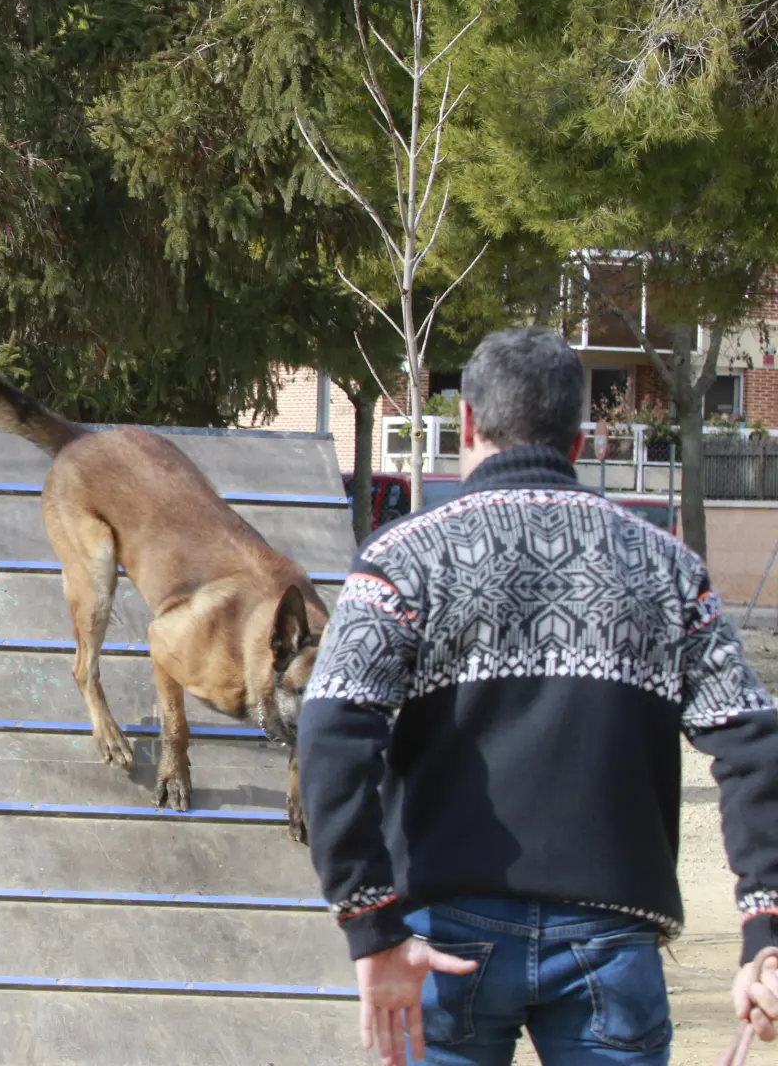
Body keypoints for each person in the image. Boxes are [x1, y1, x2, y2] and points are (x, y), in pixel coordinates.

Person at [298, 328, 778, 1066]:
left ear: (465, 424)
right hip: (614, 937)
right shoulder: (670, 569)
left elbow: (331, 733)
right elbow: (752, 742)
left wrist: (372, 926)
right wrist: (764, 931)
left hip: (447, 937)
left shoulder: (402, 560)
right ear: (581, 441)